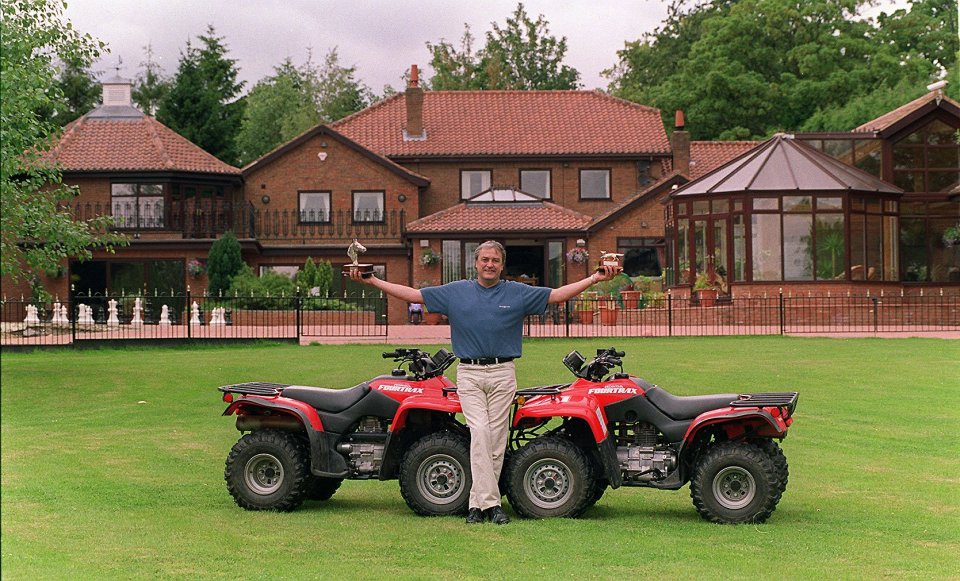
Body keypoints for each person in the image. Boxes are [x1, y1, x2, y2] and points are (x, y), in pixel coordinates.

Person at [350, 240, 618, 525]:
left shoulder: (516, 292)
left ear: (502, 265)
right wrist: (374, 280)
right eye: (484, 260)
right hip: (470, 373)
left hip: (503, 373)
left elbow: (557, 295)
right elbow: (413, 294)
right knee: (479, 433)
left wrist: (594, 278)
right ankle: (491, 506)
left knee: (495, 441)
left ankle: (478, 506)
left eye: (495, 260)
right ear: (476, 263)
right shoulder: (456, 292)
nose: (489, 264)